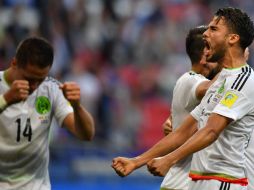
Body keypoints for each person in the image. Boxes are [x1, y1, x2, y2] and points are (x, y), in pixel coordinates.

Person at [146, 7, 254, 189]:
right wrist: (138, 161)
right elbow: (188, 128)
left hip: (225, 181)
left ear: (233, 38)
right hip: (201, 180)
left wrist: (169, 159)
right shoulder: (221, 82)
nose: (206, 34)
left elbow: (211, 130)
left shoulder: (242, 80)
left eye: (213, 29)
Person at [112, 25, 220, 190]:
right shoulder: (190, 80)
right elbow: (216, 87)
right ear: (206, 55)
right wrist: (234, 62)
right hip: (184, 181)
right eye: (219, 52)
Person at [0, 37, 95, 189]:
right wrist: (6, 99)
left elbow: (86, 134)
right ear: (14, 64)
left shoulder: (51, 89)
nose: (34, 86)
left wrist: (77, 107)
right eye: (29, 78)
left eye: (40, 79)